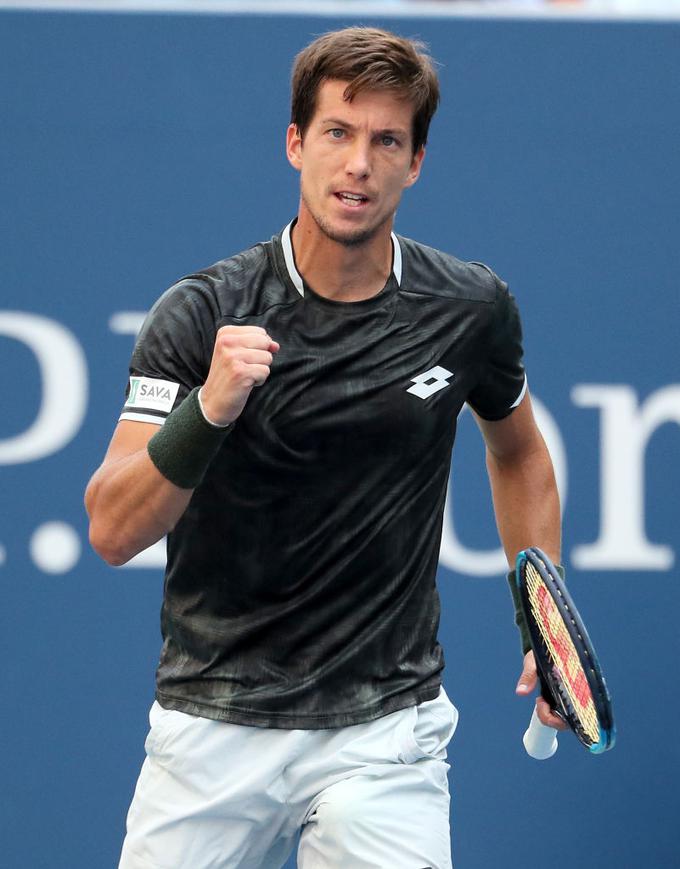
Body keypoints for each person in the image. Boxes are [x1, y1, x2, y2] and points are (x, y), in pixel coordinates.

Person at [85, 26, 566, 869]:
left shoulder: (471, 309)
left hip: (386, 730)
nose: (359, 165)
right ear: (295, 144)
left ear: (415, 163)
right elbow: (114, 530)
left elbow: (519, 452)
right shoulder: (200, 314)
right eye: (338, 134)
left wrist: (545, 613)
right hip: (211, 724)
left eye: (387, 141)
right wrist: (210, 407)